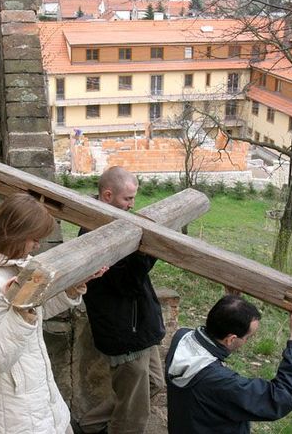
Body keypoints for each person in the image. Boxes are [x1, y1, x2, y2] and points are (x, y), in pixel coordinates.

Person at [0, 193, 107, 433]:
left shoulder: (16, 262)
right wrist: (20, 312)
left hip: (37, 390)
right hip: (11, 407)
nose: (38, 245)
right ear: (14, 233)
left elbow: (36, 313)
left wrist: (71, 286)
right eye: (34, 239)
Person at [77, 166, 166, 434]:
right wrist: (150, 250)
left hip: (139, 327)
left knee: (152, 384)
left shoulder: (115, 223)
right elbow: (126, 284)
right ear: (107, 195)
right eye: (128, 199)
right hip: (125, 332)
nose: (132, 205)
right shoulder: (96, 235)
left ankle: (88, 427)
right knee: (132, 418)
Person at [165, 295, 292, 434]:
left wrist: (231, 301)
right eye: (248, 337)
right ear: (231, 339)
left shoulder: (182, 337)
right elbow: (280, 398)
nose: (247, 342)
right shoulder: (221, 382)